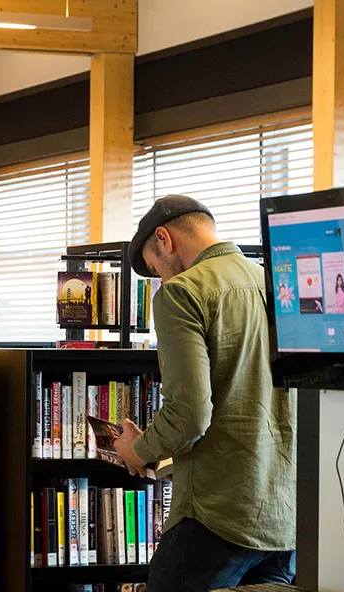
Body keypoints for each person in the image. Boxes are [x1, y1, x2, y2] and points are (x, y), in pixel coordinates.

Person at [113, 196, 296, 592]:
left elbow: (190, 414)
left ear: (164, 239)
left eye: (155, 267)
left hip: (217, 514)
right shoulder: (280, 282)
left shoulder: (183, 292)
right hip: (287, 518)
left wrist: (138, 449)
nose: (161, 279)